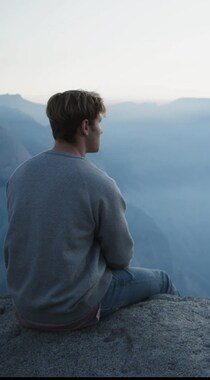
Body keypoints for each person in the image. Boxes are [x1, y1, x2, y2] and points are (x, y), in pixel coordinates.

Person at [3, 89, 179, 331]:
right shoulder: (98, 183)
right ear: (86, 126)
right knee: (163, 280)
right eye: (99, 121)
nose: (101, 129)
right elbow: (121, 257)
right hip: (73, 311)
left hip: (25, 308)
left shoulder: (19, 175)